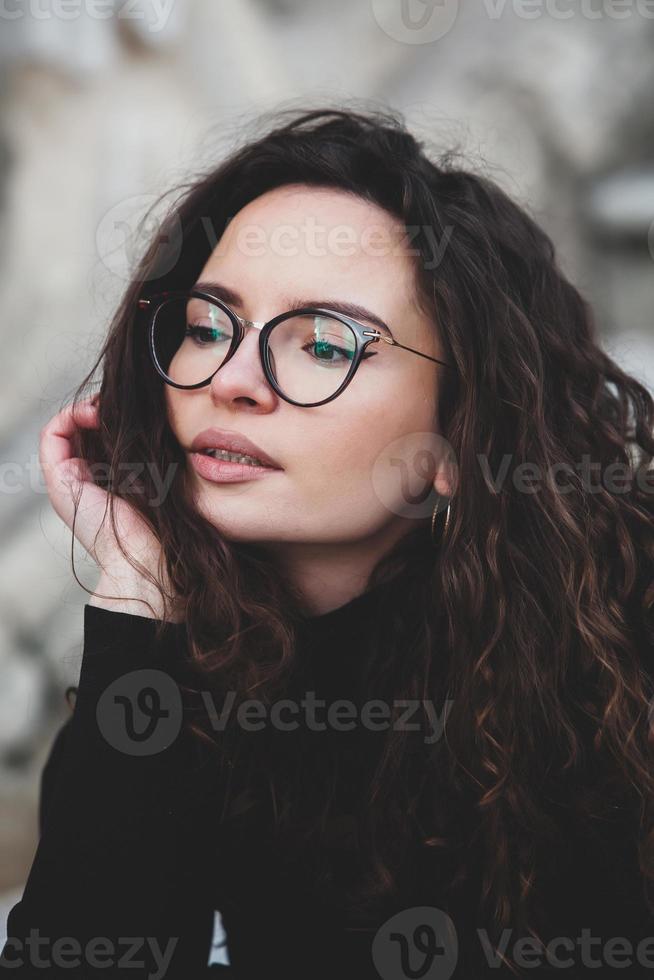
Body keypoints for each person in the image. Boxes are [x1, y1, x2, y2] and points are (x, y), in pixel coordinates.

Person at [2, 105, 654, 979]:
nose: (230, 380)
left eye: (323, 344)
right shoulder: (172, 670)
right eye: (206, 324)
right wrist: (136, 596)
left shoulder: (614, 659)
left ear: (460, 439)